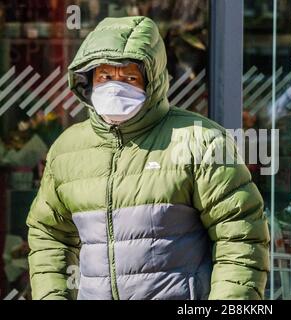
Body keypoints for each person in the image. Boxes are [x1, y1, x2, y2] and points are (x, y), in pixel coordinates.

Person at [26, 16, 269, 300]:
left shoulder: (200, 140)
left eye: (129, 77)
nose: (115, 87)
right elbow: (48, 234)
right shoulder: (67, 150)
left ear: (151, 81)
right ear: (88, 80)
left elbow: (240, 236)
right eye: (105, 76)